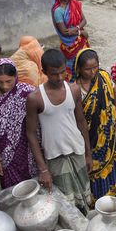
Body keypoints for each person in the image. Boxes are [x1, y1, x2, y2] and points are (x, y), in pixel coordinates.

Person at [26, 49, 92, 211]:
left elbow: (81, 122)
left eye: (63, 72)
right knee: (65, 203)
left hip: (77, 150)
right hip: (55, 157)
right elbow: (31, 133)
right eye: (55, 74)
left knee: (85, 197)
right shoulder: (35, 98)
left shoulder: (74, 90)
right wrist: (43, 169)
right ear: (44, 72)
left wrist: (88, 154)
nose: (60, 77)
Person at [73, 49, 116, 200]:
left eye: (95, 67)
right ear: (78, 68)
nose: (92, 72)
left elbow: (115, 102)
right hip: (90, 140)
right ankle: (100, 202)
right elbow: (79, 121)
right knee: (94, 170)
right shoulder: (75, 89)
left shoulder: (104, 77)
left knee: (115, 164)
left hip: (110, 134)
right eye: (87, 69)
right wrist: (86, 151)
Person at [0, 59, 36, 189]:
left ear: (15, 76)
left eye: (8, 81)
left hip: (25, 147)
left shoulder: (26, 92)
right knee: (13, 189)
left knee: (32, 184)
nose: (5, 86)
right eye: (0, 82)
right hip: (2, 153)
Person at [51, 0, 89, 80]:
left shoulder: (74, 3)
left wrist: (76, 29)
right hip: (69, 45)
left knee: (85, 64)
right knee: (73, 69)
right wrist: (81, 32)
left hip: (81, 40)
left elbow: (84, 20)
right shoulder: (58, 11)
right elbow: (65, 32)